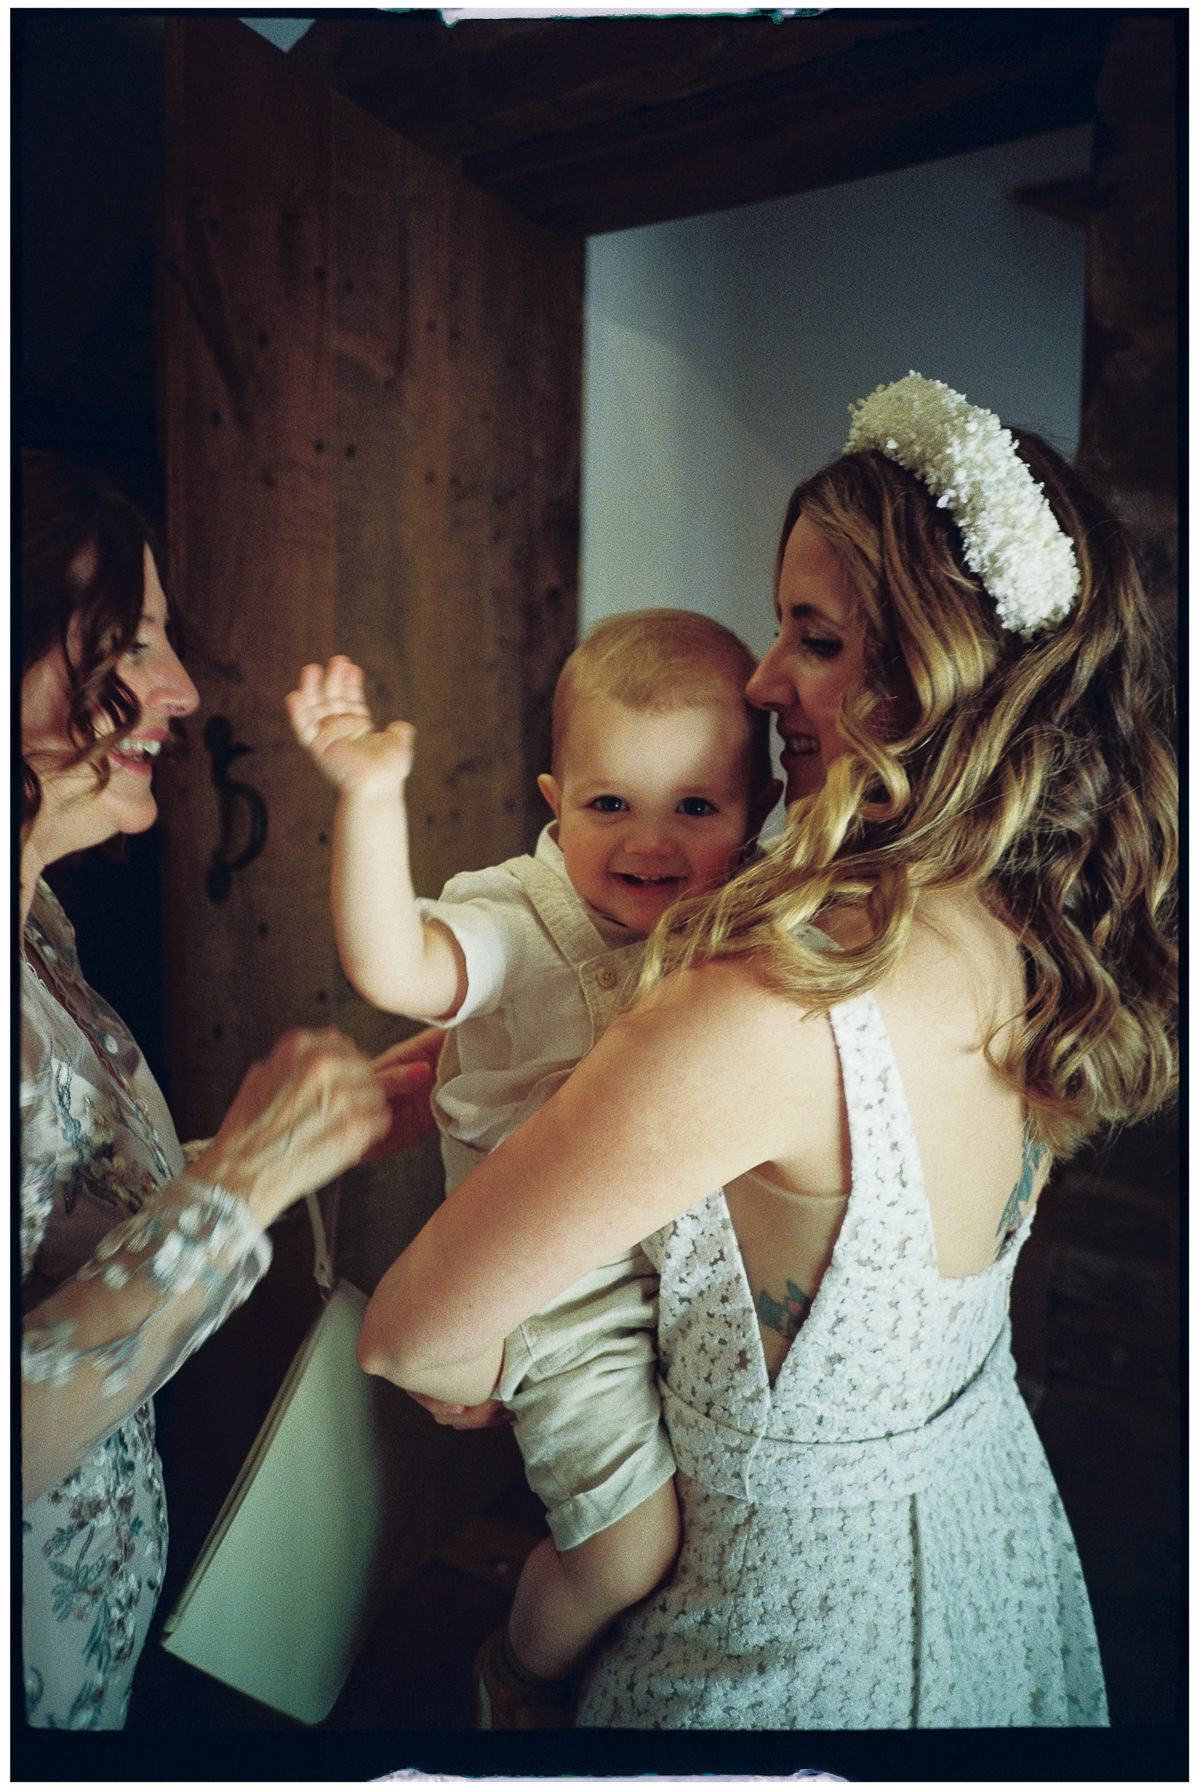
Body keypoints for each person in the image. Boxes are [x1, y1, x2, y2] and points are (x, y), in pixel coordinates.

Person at [356, 374, 1177, 1728]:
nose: (760, 676)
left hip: (780, 1638)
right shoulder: (1028, 928)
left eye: (814, 637)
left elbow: (414, 1334)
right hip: (989, 1553)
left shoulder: (770, 1004)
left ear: (941, 665)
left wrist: (515, 1374)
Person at [286, 612, 780, 1727]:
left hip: (684, 1269)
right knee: (627, 1548)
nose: (650, 841)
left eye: (695, 806)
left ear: (754, 819)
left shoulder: (732, 920)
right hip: (559, 1290)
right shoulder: (521, 915)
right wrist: (368, 800)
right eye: (610, 804)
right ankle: (516, 1677)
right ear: (557, 803)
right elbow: (397, 963)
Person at [18, 450, 413, 1731]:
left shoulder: (39, 926)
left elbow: (52, 1211)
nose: (180, 690)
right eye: (127, 642)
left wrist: (290, 1143)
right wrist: (246, 1175)